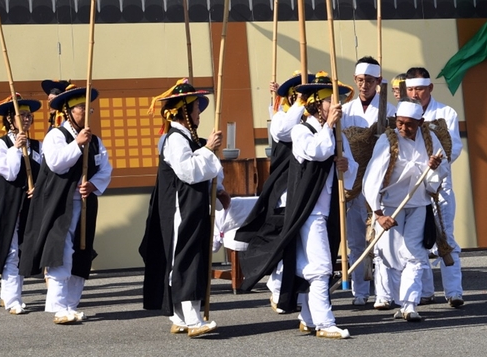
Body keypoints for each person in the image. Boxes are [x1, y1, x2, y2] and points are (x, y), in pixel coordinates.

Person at [240, 73, 355, 339]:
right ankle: (325, 323)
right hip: (309, 210)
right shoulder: (301, 130)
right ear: (316, 104)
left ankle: (309, 317)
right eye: (329, 102)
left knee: (313, 265)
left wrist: (345, 167)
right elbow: (316, 151)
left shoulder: (336, 134)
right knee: (322, 267)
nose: (335, 107)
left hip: (329, 210)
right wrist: (330, 130)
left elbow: (348, 165)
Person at [140, 80, 229, 337]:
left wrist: (220, 189)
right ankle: (192, 318)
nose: (198, 113)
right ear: (183, 112)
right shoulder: (173, 139)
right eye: (195, 109)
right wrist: (208, 149)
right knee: (186, 257)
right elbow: (188, 171)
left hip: (194, 205)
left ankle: (179, 316)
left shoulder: (188, 138)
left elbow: (205, 169)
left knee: (191, 255)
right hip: (180, 207)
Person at [20, 83, 112, 324]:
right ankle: (58, 305)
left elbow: (105, 168)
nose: (86, 112)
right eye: (81, 108)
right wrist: (77, 144)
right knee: (62, 252)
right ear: (69, 111)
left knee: (82, 252)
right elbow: (57, 163)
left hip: (84, 202)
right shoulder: (56, 135)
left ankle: (72, 304)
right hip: (59, 203)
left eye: (88, 108)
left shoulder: (95, 140)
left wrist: (93, 183)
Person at [362, 98, 447, 322]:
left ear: (420, 122)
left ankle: (410, 305)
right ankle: (398, 300)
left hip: (419, 204)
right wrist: (378, 214)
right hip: (391, 206)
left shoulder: (430, 139)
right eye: (399, 122)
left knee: (415, 255)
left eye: (409, 124)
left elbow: (440, 173)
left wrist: (433, 170)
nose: (403, 128)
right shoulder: (387, 140)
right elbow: (372, 178)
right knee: (391, 257)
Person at [237, 70, 312, 314]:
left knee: (303, 245)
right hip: (285, 190)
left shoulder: (312, 121)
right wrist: (295, 104)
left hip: (309, 189)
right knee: (284, 242)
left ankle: (298, 293)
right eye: (301, 95)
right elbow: (282, 131)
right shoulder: (283, 117)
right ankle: (278, 285)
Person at [405, 67, 465, 308]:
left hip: (440, 186)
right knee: (418, 241)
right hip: (414, 187)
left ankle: (454, 291)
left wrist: (436, 165)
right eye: (410, 89)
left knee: (445, 237)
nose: (415, 93)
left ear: (429, 88)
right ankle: (425, 291)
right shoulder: (403, 113)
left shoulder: (445, 112)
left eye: (419, 88)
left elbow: (454, 147)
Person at [0, 94, 43, 314]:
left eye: (29, 115)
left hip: (28, 203)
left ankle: (8, 294)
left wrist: (39, 187)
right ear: (9, 119)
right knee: (11, 250)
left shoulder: (38, 146)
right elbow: (10, 172)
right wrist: (16, 148)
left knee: (23, 250)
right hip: (6, 204)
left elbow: (45, 173)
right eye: (21, 115)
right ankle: (13, 298)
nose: (26, 119)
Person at [340, 56, 395, 307]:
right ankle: (360, 291)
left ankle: (385, 292)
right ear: (355, 80)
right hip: (352, 180)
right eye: (361, 80)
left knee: (382, 238)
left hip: (379, 179)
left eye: (370, 81)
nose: (364, 85)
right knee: (355, 239)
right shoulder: (345, 110)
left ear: (378, 82)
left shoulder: (390, 110)